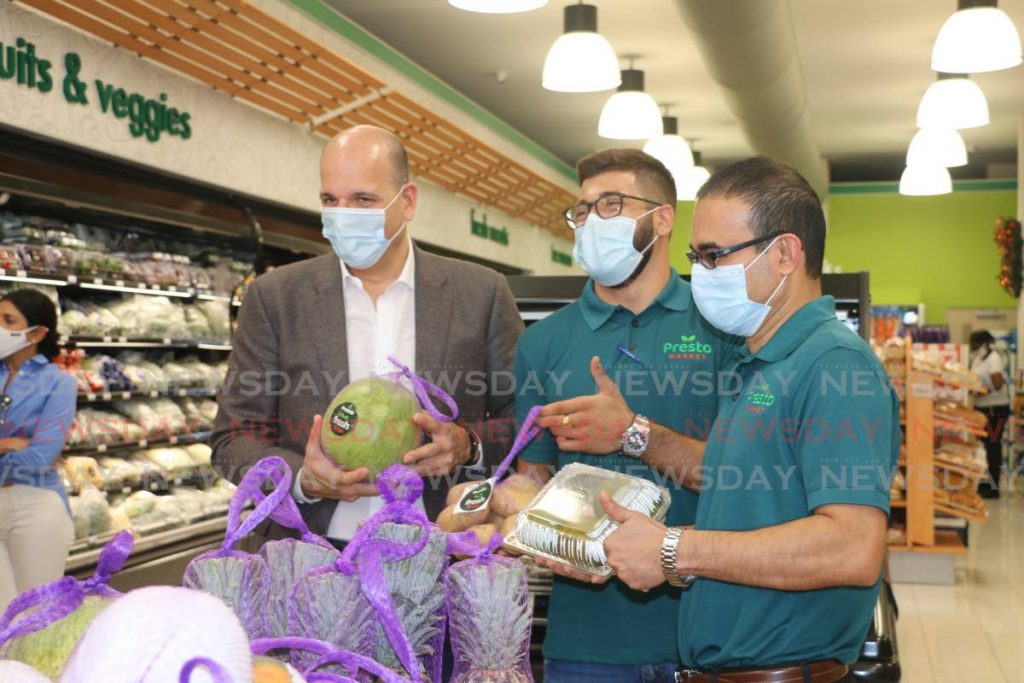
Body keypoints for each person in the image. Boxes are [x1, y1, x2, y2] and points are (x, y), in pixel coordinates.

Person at [547, 157, 899, 683]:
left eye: (715, 256)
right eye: (696, 256)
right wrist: (633, 438)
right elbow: (741, 486)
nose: (701, 274)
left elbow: (852, 547)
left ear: (784, 253)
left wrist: (673, 550)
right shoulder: (757, 362)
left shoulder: (833, 364)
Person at [212, 125, 523, 546]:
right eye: (330, 200)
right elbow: (232, 439)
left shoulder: (480, 294)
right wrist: (302, 477)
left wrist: (467, 445)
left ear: (407, 201)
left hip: (442, 553)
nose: (343, 214)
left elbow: (525, 424)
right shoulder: (276, 298)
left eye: (362, 199)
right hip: (310, 555)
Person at [514, 148, 741, 683]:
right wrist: (527, 533)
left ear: (662, 219)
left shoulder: (723, 329)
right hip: (586, 642)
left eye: (612, 204)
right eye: (583, 209)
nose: (593, 221)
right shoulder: (543, 342)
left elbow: (742, 479)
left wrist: (631, 432)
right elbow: (531, 479)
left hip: (708, 634)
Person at [0, 288, 77, 613]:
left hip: (35, 506)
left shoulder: (59, 383)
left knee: (35, 618)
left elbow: (40, 458)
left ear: (38, 332)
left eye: (7, 320)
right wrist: (6, 444)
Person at [969, 330, 1010, 498]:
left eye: (976, 344)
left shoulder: (994, 359)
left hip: (995, 409)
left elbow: (997, 383)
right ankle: (985, 483)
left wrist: (979, 392)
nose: (974, 348)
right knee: (984, 449)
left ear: (985, 343)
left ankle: (993, 488)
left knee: (993, 447)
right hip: (982, 408)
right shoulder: (978, 359)